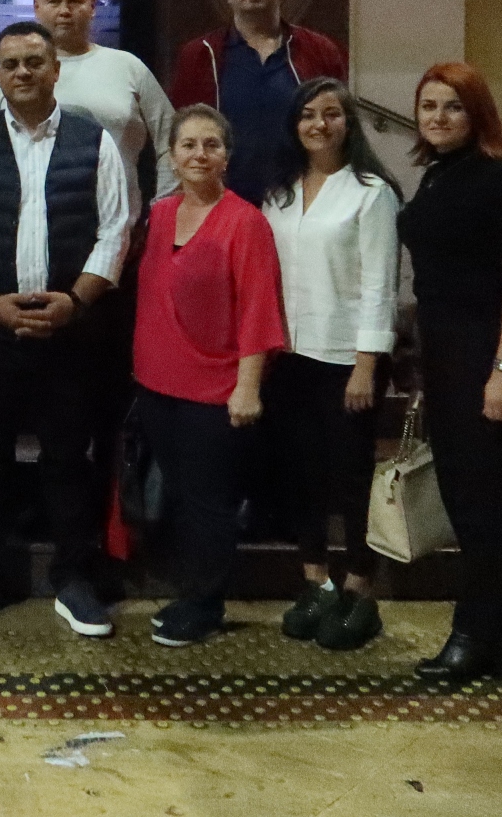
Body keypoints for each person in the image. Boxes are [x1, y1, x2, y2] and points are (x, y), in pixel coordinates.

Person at [0, 21, 131, 639]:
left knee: (68, 458)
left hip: (70, 331)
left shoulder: (93, 141)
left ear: (55, 71)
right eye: (11, 64)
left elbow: (114, 229)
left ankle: (74, 578)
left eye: (33, 62)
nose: (22, 72)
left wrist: (75, 302)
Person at [398, 62, 502, 681]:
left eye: (452, 106)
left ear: (476, 113)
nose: (438, 117)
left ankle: (477, 633)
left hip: (487, 355)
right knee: (468, 499)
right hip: (446, 355)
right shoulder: (436, 175)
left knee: (482, 503)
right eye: (428, 106)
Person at [130, 104, 286, 648]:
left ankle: (205, 604)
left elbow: (259, 309)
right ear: (171, 157)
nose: (199, 154)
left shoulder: (245, 222)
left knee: (208, 503)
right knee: (177, 495)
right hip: (156, 384)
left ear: (227, 156)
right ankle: (188, 590)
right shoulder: (160, 216)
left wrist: (248, 386)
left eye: (211, 144)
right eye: (188, 145)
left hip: (216, 390)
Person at [259, 78, 402, 652]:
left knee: (349, 477)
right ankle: (315, 580)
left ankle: (361, 587)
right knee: (301, 474)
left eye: (331, 114)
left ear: (349, 123)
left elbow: (380, 285)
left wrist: (367, 364)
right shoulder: (279, 192)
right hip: (290, 354)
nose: (319, 124)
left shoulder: (371, 193)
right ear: (294, 125)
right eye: (308, 115)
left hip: (347, 357)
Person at [0, 0, 175, 213]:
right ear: (36, 7)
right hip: (21, 224)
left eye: (75, 1)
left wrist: (163, 210)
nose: (64, 11)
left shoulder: (129, 67)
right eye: (54, 2)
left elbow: (173, 143)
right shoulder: (11, 75)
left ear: (93, 6)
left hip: (119, 224)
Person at [165, 0, 348, 205]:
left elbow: (341, 130)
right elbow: (183, 135)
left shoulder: (320, 51)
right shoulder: (200, 55)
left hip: (303, 202)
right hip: (224, 204)